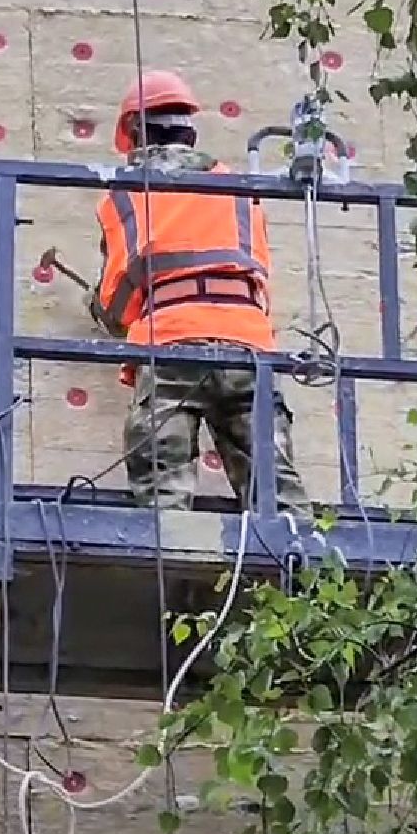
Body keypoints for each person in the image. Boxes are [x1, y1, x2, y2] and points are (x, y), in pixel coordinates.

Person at [90, 70, 309, 514]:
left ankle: (172, 547)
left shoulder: (125, 193)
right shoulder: (241, 189)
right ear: (190, 132)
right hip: (247, 340)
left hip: (174, 342)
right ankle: (297, 551)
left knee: (163, 482)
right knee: (275, 488)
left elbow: (120, 299)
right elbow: (256, 271)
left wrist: (103, 309)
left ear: (134, 134)